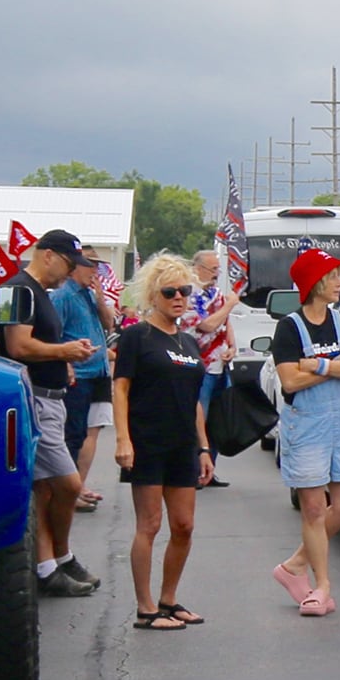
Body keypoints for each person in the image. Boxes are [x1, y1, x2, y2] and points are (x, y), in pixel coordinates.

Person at [0, 230, 101, 597]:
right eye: (70, 264)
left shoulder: (37, 292)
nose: (71, 272)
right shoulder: (14, 290)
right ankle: (61, 554)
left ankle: (47, 566)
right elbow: (17, 345)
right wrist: (64, 352)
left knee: (42, 489)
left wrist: (65, 357)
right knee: (68, 484)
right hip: (35, 399)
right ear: (49, 255)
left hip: (51, 396)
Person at [111, 253, 213, 631]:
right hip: (147, 442)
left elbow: (194, 401)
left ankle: (169, 600)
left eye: (184, 291)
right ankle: (146, 607)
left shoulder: (188, 342)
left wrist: (203, 447)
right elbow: (120, 389)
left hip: (183, 444)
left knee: (184, 525)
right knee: (150, 525)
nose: (178, 298)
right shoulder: (138, 335)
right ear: (153, 294)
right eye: (169, 291)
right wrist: (123, 439)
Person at [269, 247, 340, 617]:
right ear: (315, 283)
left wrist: (318, 363)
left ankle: (294, 565)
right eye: (334, 276)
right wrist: (334, 365)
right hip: (306, 425)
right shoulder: (289, 327)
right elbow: (290, 380)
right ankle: (321, 586)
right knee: (312, 508)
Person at [55, 258, 112, 513]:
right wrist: (64, 362)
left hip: (99, 371)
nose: (96, 273)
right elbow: (52, 333)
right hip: (79, 373)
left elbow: (109, 323)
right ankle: (69, 490)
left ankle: (79, 484)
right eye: (92, 267)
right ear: (76, 267)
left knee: (94, 428)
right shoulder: (63, 296)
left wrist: (100, 297)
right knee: (74, 433)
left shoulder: (88, 295)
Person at [187, 250, 239, 488]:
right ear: (197, 268)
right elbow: (207, 324)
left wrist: (232, 346)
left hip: (220, 364)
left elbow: (225, 323)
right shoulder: (190, 294)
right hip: (201, 364)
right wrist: (229, 305)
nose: (216, 274)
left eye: (218, 269)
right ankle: (194, 469)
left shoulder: (216, 294)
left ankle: (211, 469)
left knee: (217, 420)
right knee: (199, 418)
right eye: (212, 269)